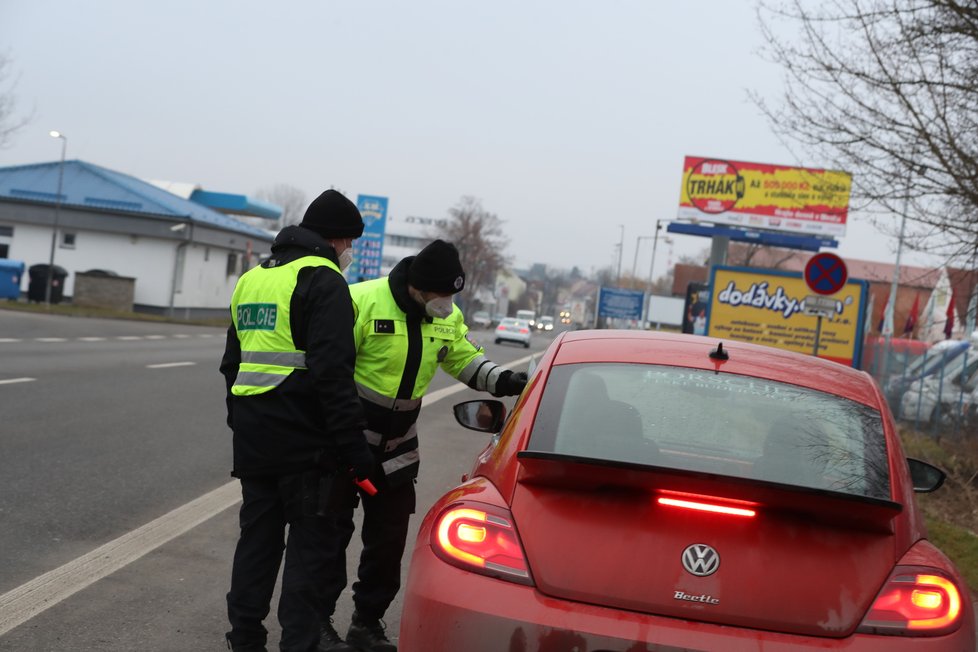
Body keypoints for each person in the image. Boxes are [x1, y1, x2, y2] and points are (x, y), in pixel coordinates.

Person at [319, 239, 528, 652]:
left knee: (389, 539)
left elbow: (463, 359)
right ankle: (316, 623)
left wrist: (507, 381)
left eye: (453, 294)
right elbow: (329, 369)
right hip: (345, 440)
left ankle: (366, 622)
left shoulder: (446, 316)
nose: (446, 303)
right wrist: (343, 435)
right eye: (441, 294)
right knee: (329, 536)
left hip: (398, 445)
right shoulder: (362, 300)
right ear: (417, 286)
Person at [221, 189, 377, 652]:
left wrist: (242, 421)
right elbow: (333, 375)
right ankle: (298, 644)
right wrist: (355, 453)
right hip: (308, 448)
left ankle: (244, 638)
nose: (349, 253)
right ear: (340, 239)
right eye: (350, 243)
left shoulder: (252, 279)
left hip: (255, 440)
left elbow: (232, 365)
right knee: (310, 555)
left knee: (257, 544)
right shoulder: (324, 280)